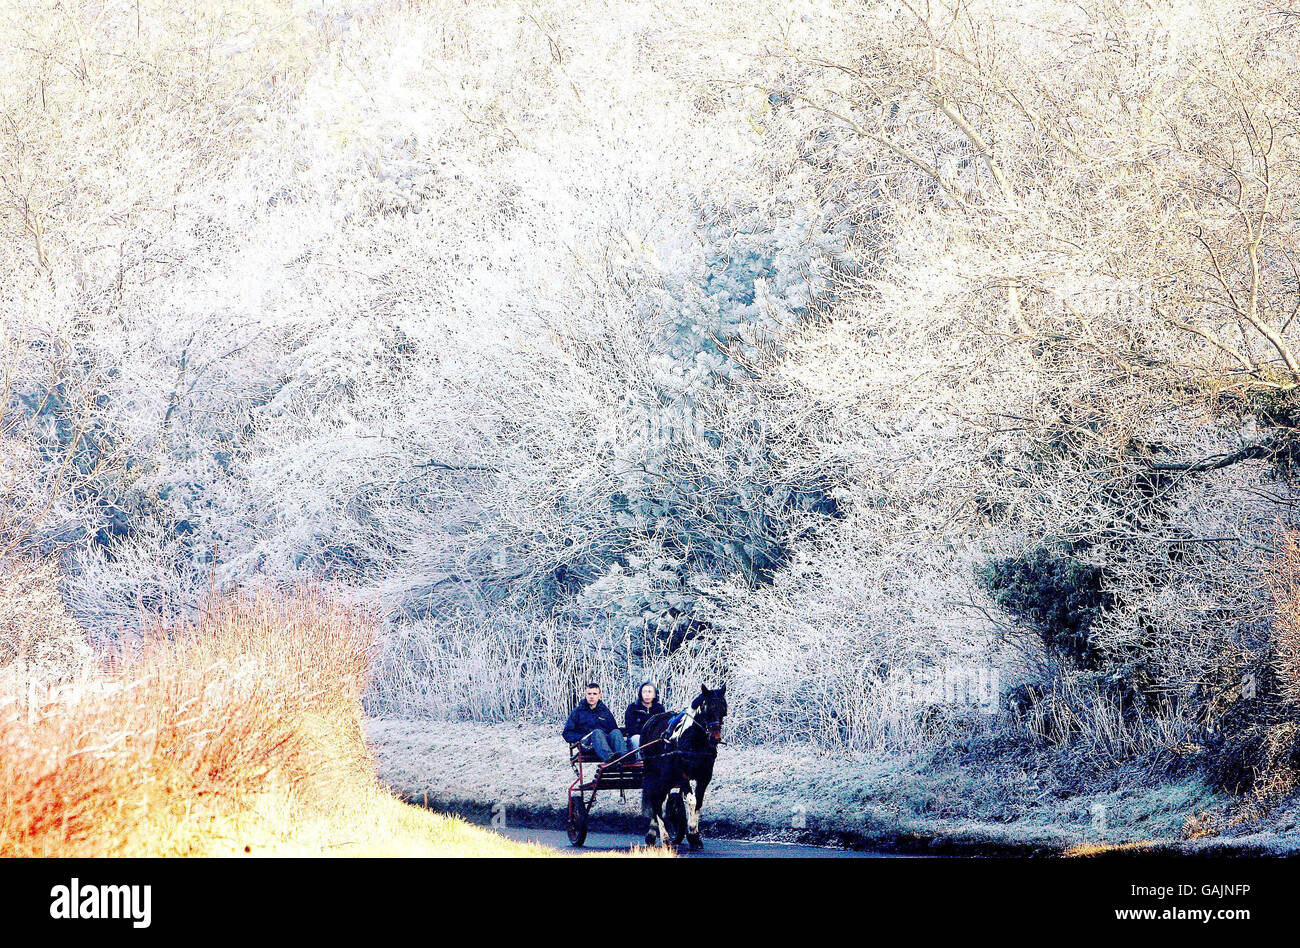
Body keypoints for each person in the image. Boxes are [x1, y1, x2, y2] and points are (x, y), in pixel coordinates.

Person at [562, 682, 629, 765]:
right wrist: (582, 737)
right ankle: (610, 760)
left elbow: (613, 729)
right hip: (587, 745)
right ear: (585, 695)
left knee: (616, 732)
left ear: (599, 695)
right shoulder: (578, 712)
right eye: (589, 694)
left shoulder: (604, 711)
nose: (592, 696)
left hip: (604, 744)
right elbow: (567, 733)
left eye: (594, 694)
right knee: (597, 732)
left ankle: (625, 757)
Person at [623, 681, 665, 758]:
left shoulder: (659, 708)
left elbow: (662, 726)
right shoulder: (632, 708)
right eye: (644, 692)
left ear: (655, 694)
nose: (647, 694)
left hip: (654, 738)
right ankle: (641, 763)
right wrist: (644, 736)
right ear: (641, 694)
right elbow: (630, 727)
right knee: (636, 739)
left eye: (650, 692)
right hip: (637, 736)